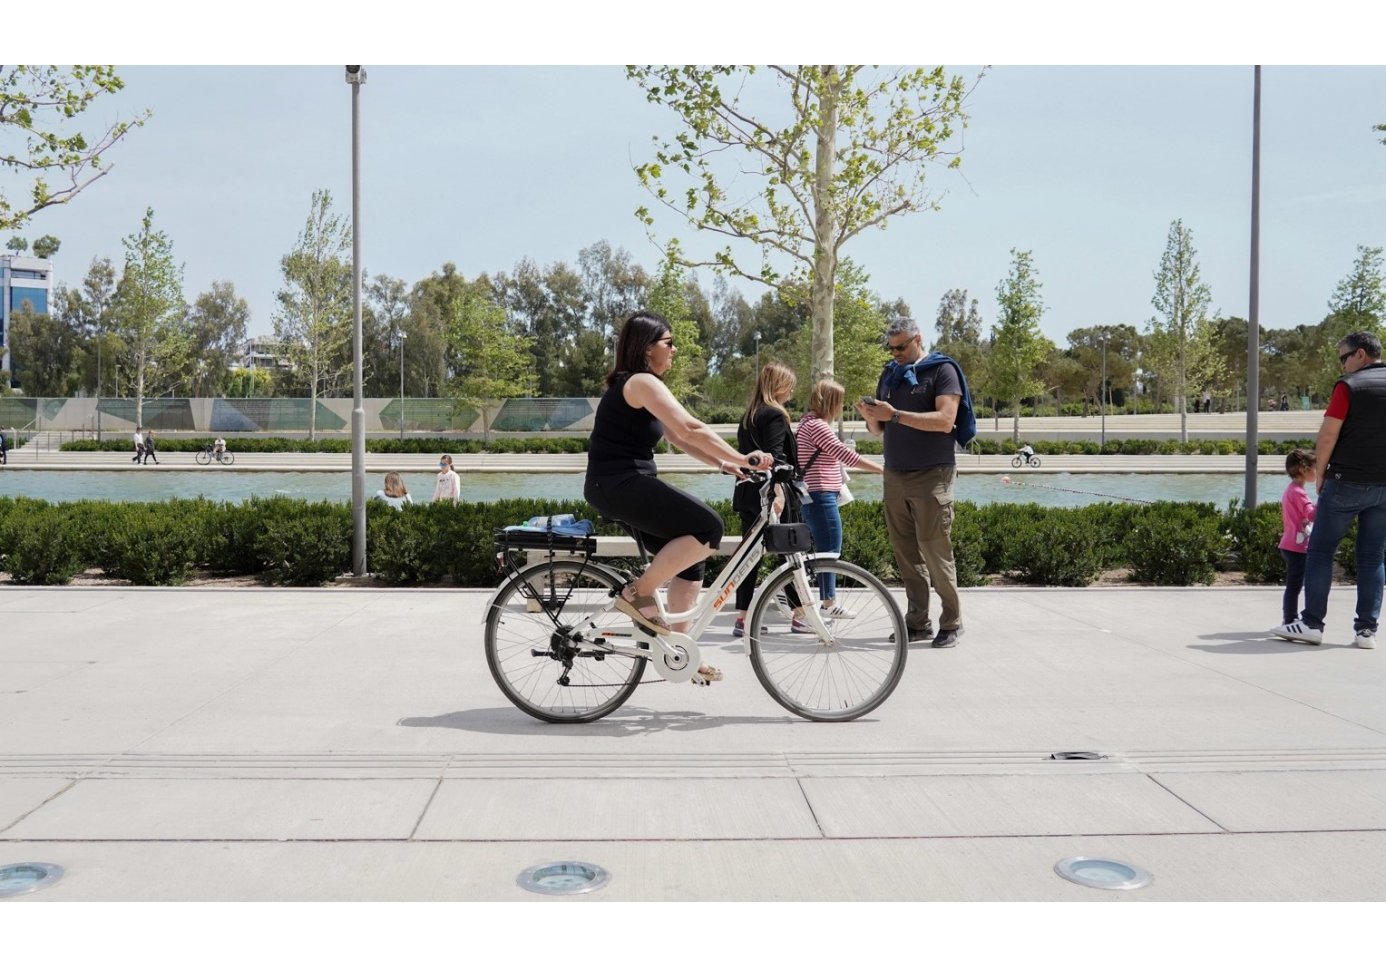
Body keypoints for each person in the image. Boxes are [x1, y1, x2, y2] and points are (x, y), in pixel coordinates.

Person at [584, 310, 769, 683]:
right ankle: (639, 592)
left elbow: (680, 438)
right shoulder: (640, 382)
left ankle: (680, 651)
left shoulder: (642, 385)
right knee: (707, 528)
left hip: (622, 484)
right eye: (669, 343)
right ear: (647, 348)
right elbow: (690, 426)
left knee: (691, 558)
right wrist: (739, 455)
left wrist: (725, 465)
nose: (675, 350)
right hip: (618, 484)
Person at [858, 317, 972, 648]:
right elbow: (880, 431)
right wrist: (872, 418)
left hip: (932, 474)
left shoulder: (941, 371)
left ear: (918, 340)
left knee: (936, 552)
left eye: (901, 346)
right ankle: (917, 622)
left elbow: (946, 420)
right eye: (891, 347)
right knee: (906, 555)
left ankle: (951, 621)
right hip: (895, 472)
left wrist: (893, 414)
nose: (895, 353)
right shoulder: (890, 375)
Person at [1275, 332, 1386, 649]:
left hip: (1346, 481)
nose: (1342, 364)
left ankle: (1311, 624)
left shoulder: (1348, 386)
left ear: (1360, 354)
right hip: (1384, 486)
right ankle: (1366, 631)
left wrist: (1320, 475)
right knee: (1372, 557)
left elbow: (1327, 436)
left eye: (1343, 357)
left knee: (1321, 552)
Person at [796, 379, 884, 621]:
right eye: (840, 402)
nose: (841, 407)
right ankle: (828, 603)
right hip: (821, 495)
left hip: (814, 495)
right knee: (830, 552)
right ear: (831, 402)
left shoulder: (806, 423)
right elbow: (846, 455)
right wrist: (882, 469)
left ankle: (825, 601)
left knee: (825, 551)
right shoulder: (819, 427)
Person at [731, 362, 804, 638]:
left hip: (748, 492)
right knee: (790, 553)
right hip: (771, 494)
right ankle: (799, 616)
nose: (793, 390)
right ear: (779, 386)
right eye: (790, 384)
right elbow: (775, 458)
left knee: (749, 558)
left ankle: (743, 618)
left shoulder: (749, 416)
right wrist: (779, 493)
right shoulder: (774, 415)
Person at [1273, 448, 1317, 632]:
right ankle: (1290, 619)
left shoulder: (1292, 489)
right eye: (1315, 467)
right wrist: (1325, 498)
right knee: (1294, 585)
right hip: (1296, 547)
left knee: (1294, 584)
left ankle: (1290, 617)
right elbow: (1311, 514)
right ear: (1303, 469)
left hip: (1291, 544)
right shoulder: (1298, 492)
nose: (1317, 471)